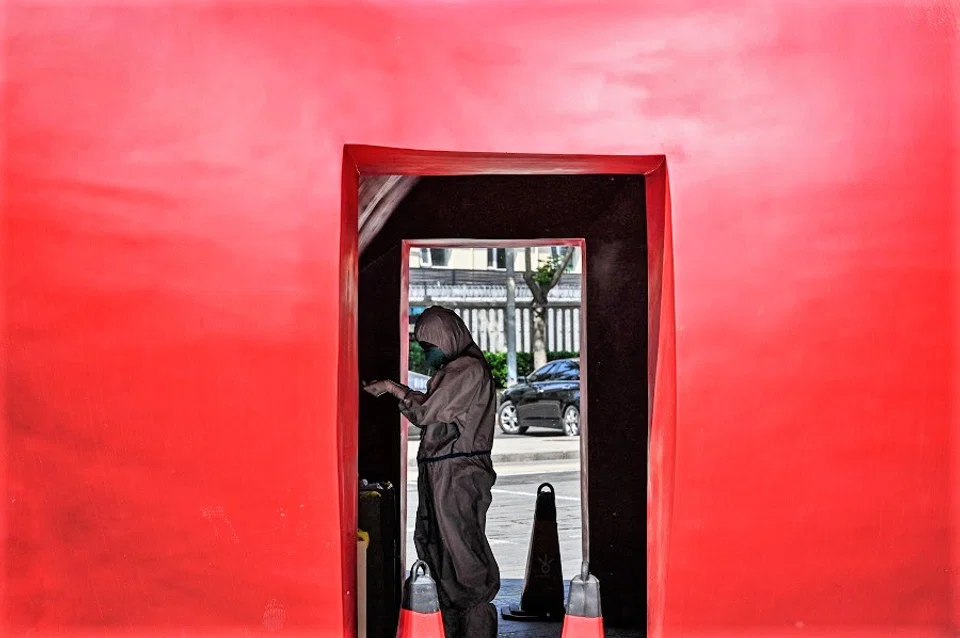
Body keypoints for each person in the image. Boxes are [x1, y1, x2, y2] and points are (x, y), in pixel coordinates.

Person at [363, 305, 500, 638]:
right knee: (437, 549)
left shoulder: (467, 369)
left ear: (446, 338)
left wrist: (394, 389)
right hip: (444, 471)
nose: (427, 356)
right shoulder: (457, 369)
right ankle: (453, 628)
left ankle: (476, 630)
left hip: (457, 473)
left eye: (428, 347)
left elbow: (427, 411)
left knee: (462, 552)